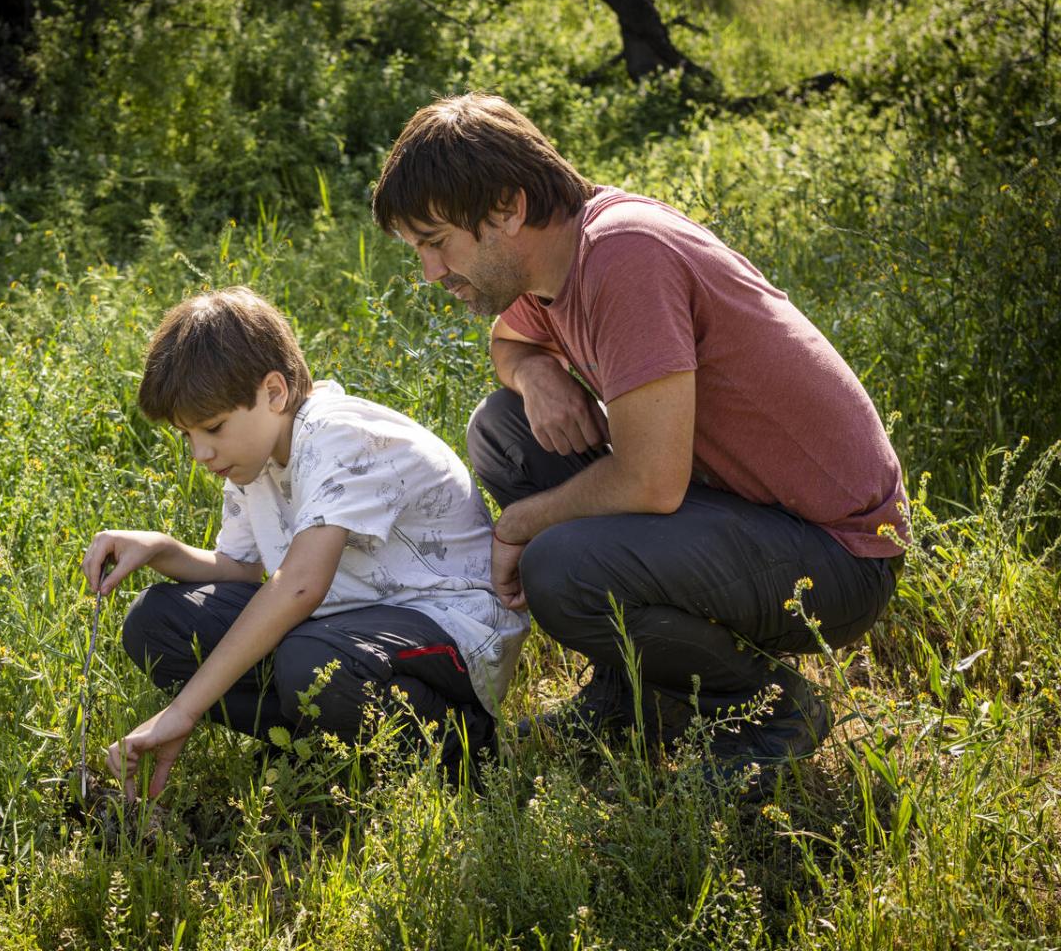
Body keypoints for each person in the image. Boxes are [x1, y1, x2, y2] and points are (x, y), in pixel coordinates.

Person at [371, 92, 908, 789]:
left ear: (507, 208)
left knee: (560, 566)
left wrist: (520, 525)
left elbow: (650, 482)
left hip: (838, 555)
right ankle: (638, 695)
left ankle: (769, 710)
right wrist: (537, 373)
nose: (431, 275)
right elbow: (510, 347)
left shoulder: (625, 255)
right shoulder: (551, 261)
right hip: (743, 512)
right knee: (504, 430)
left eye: (437, 243)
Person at [82, 286, 528, 799]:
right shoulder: (251, 459)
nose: (200, 453)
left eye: (212, 427)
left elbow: (297, 586)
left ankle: (462, 756)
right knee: (156, 624)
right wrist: (162, 550)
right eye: (188, 436)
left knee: (311, 660)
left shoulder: (336, 436)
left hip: (449, 625)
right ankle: (315, 743)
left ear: (274, 392)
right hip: (349, 621)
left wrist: (184, 711)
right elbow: (246, 569)